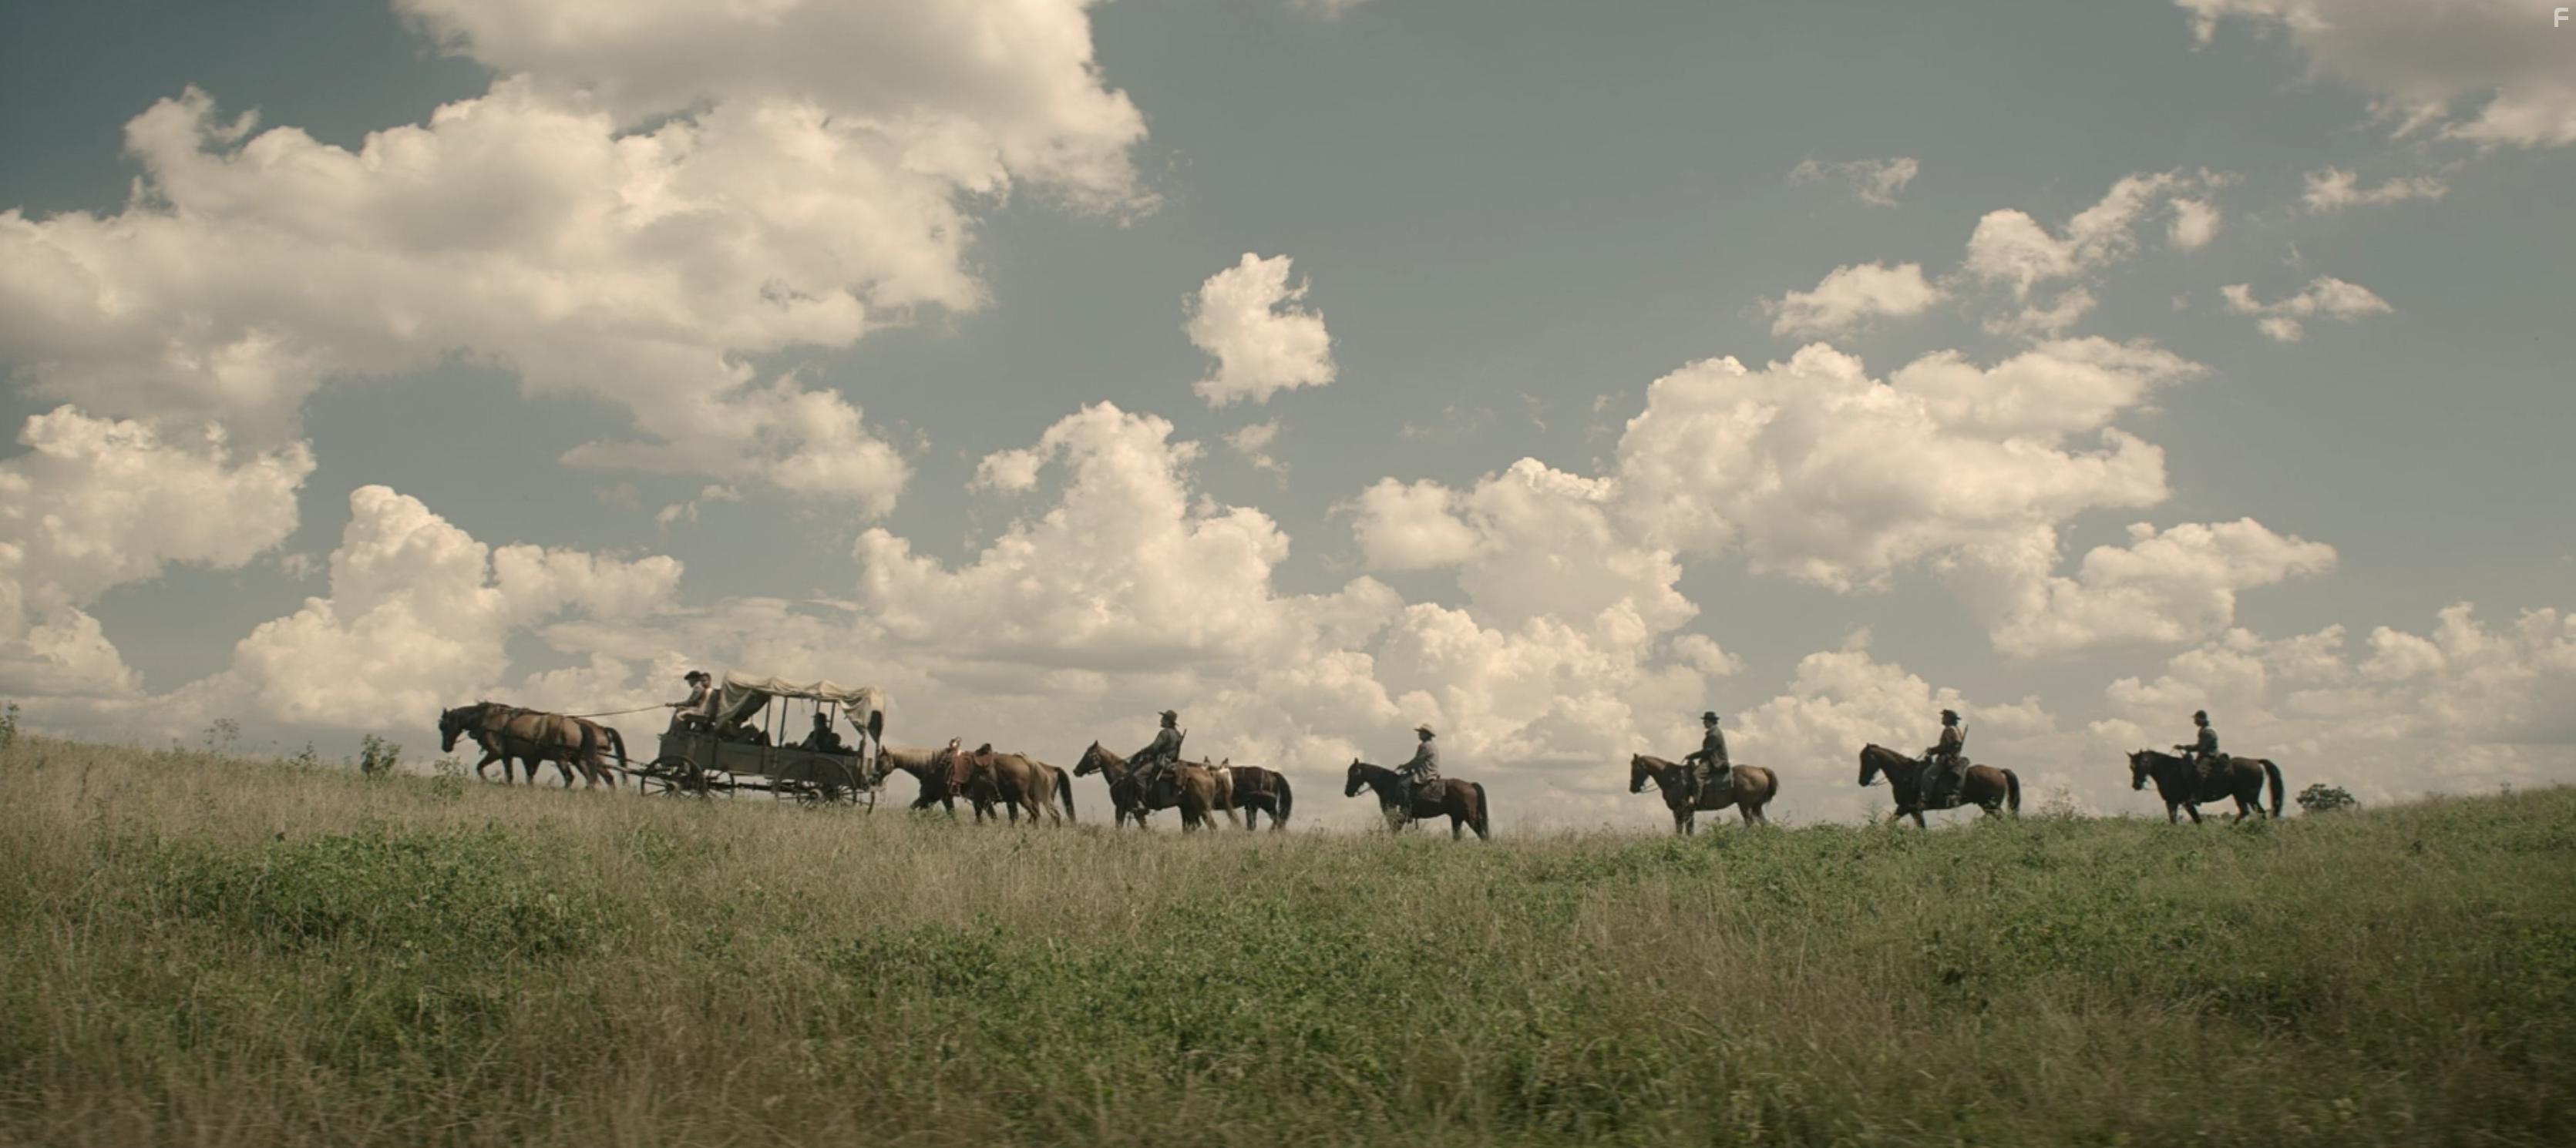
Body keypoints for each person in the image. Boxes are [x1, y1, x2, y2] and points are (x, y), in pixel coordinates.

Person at [1131, 710, 1185, 794]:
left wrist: (1143, 752)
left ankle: (1143, 800)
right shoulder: (1177, 734)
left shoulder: (1164, 733)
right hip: (1172, 763)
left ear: (1168, 721)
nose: (1161, 720)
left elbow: (1154, 748)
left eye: (1163, 719)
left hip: (1162, 762)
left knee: (1137, 776)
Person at [1392, 724, 1441, 817]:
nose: (1419, 734)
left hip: (1425, 773)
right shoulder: (1433, 746)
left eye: (1421, 733)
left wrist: (1404, 767)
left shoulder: (1424, 746)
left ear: (1427, 734)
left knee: (1403, 785)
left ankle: (1406, 810)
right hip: (1432, 771)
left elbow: (1417, 762)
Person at [1680, 711, 1730, 801]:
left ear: (1710, 721)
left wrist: (1691, 756)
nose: (1704, 723)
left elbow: (1707, 752)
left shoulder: (1714, 734)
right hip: (1712, 759)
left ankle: (1697, 800)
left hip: (1716, 761)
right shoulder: (1713, 732)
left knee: (1697, 775)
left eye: (1705, 721)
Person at [1924, 709, 1966, 806]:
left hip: (1948, 758)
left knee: (1927, 774)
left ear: (1949, 719)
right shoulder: (1955, 729)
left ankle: (1924, 799)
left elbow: (1949, 746)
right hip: (1951, 756)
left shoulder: (1949, 729)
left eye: (1944, 717)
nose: (1942, 718)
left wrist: (1932, 750)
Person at [2177, 709, 2221, 787]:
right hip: (2205, 755)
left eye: (2196, 720)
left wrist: (2185, 747)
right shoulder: (2204, 730)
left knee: (2198, 772)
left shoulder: (2208, 732)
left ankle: (2200, 792)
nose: (2195, 722)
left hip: (2210, 756)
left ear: (2202, 719)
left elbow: (2201, 747)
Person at [666, 670, 717, 735]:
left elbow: (690, 702)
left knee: (679, 710)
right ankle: (676, 731)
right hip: (702, 710)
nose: (689, 682)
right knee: (682, 709)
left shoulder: (698, 687)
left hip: (702, 712)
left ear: (694, 679)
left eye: (689, 680)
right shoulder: (704, 688)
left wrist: (674, 704)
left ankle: (672, 732)